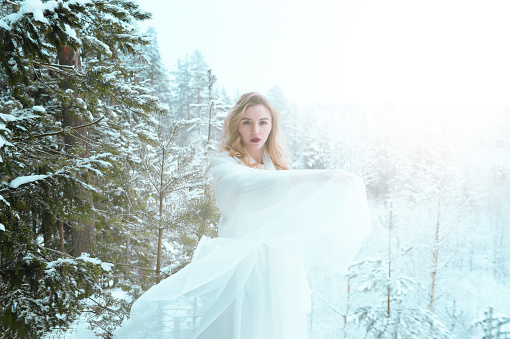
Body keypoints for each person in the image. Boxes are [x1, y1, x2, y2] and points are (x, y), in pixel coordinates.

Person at [114, 92, 371, 338]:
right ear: (237, 125)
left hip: (281, 270)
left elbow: (299, 217)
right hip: (241, 269)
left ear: (272, 126)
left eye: (263, 122)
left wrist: (334, 188)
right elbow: (244, 191)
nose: (255, 131)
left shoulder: (278, 168)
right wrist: (322, 176)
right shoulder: (225, 164)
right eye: (247, 122)